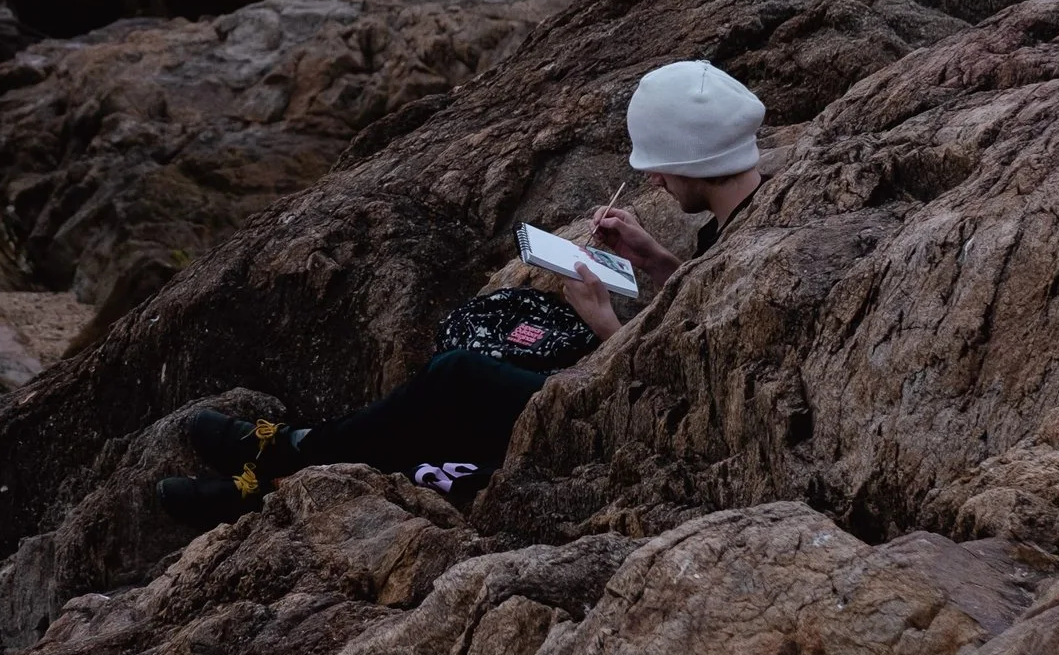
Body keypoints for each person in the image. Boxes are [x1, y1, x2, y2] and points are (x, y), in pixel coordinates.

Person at [158, 59, 768, 528]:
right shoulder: (748, 213)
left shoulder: (759, 250)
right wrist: (656, 260)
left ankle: (282, 458)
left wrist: (608, 326)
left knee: (459, 378)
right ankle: (275, 474)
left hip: (645, 430)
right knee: (476, 376)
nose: (652, 180)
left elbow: (692, 386)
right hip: (630, 388)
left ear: (693, 158)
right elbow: (695, 309)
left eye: (657, 164)